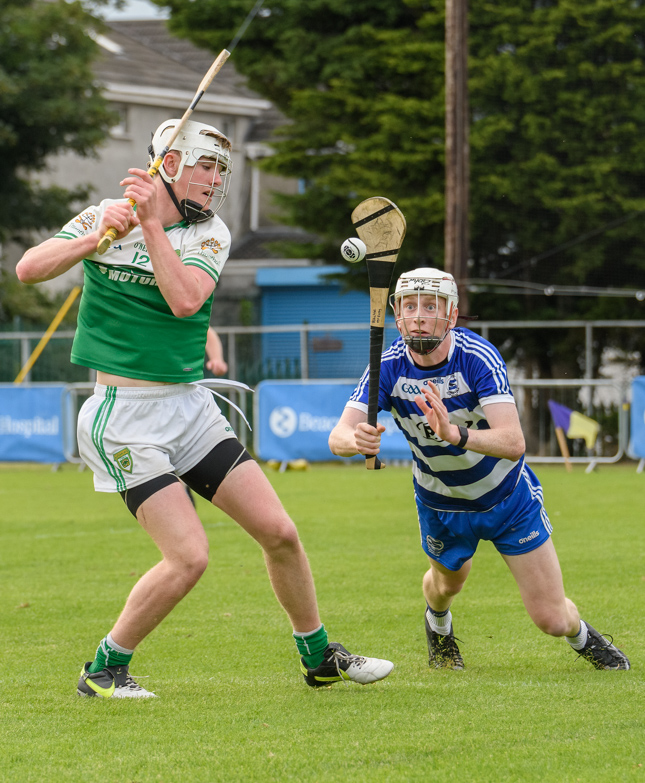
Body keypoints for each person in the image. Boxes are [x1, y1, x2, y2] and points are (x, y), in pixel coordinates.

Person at [16, 118, 393, 698]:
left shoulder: (211, 233)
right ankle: (103, 670)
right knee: (189, 557)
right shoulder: (105, 214)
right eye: (206, 166)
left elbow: (187, 301)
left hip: (189, 407)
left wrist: (148, 225)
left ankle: (318, 658)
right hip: (123, 415)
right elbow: (28, 269)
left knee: (280, 533)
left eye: (222, 169)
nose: (216, 180)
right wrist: (94, 238)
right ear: (169, 164)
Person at [329, 267, 630, 672]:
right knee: (446, 584)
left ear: (451, 314)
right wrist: (356, 442)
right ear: (396, 313)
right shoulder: (387, 365)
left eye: (430, 305)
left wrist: (454, 434)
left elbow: (513, 442)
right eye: (410, 305)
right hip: (441, 505)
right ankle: (438, 624)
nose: (419, 315)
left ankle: (583, 636)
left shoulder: (476, 358)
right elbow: (338, 436)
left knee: (552, 619)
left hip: (507, 500)